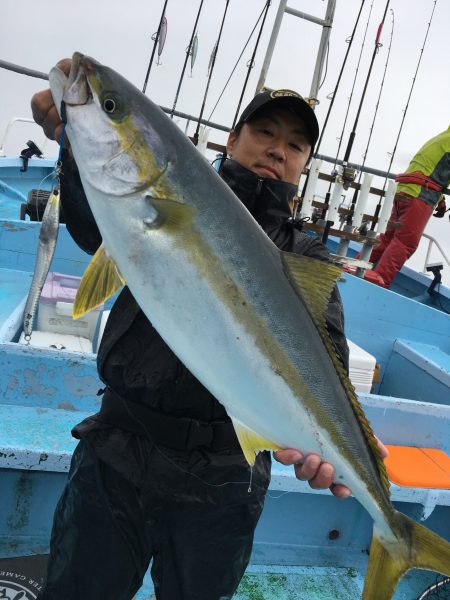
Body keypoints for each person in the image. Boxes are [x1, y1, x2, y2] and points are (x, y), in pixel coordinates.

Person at [32, 63, 384, 600]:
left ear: (305, 164)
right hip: (119, 449)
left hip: (225, 478)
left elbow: (324, 357)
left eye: (295, 144)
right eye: (265, 132)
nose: (277, 150)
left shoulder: (305, 255)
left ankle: (395, 537)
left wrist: (338, 438)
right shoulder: (158, 198)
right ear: (232, 138)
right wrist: (73, 145)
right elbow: (88, 225)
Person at [369, 126, 450, 288]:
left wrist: (440, 200)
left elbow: (430, 170)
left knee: (388, 237)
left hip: (404, 191)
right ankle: (378, 280)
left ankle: (359, 265)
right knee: (405, 242)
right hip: (420, 195)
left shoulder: (442, 139)